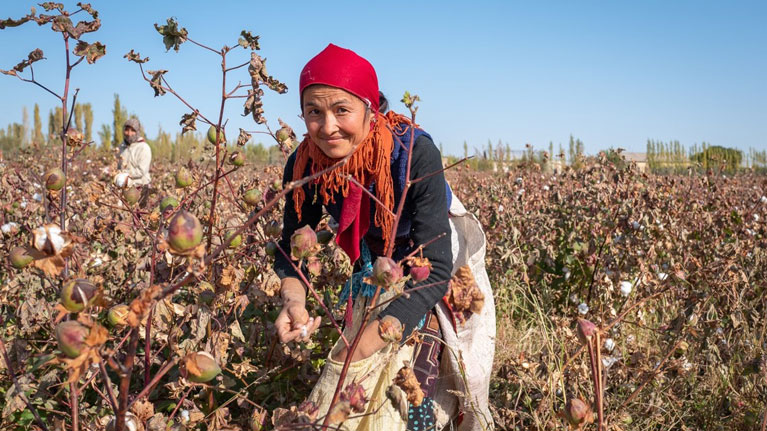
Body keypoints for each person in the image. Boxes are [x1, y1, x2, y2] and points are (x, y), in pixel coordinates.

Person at [273, 44, 495, 431]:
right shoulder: (304, 162)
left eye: (342, 110)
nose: (328, 127)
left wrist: (365, 342)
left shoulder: (413, 154)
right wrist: (294, 299)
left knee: (421, 388)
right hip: (374, 268)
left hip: (434, 271)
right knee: (357, 386)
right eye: (314, 112)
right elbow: (292, 246)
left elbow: (438, 264)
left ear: (370, 109)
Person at [117, 118, 152, 187]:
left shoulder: (143, 148)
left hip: (140, 186)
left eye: (133, 130)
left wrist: (125, 174)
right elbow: (118, 166)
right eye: (127, 130)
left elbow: (141, 171)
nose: (129, 134)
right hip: (123, 186)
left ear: (138, 132)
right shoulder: (121, 147)